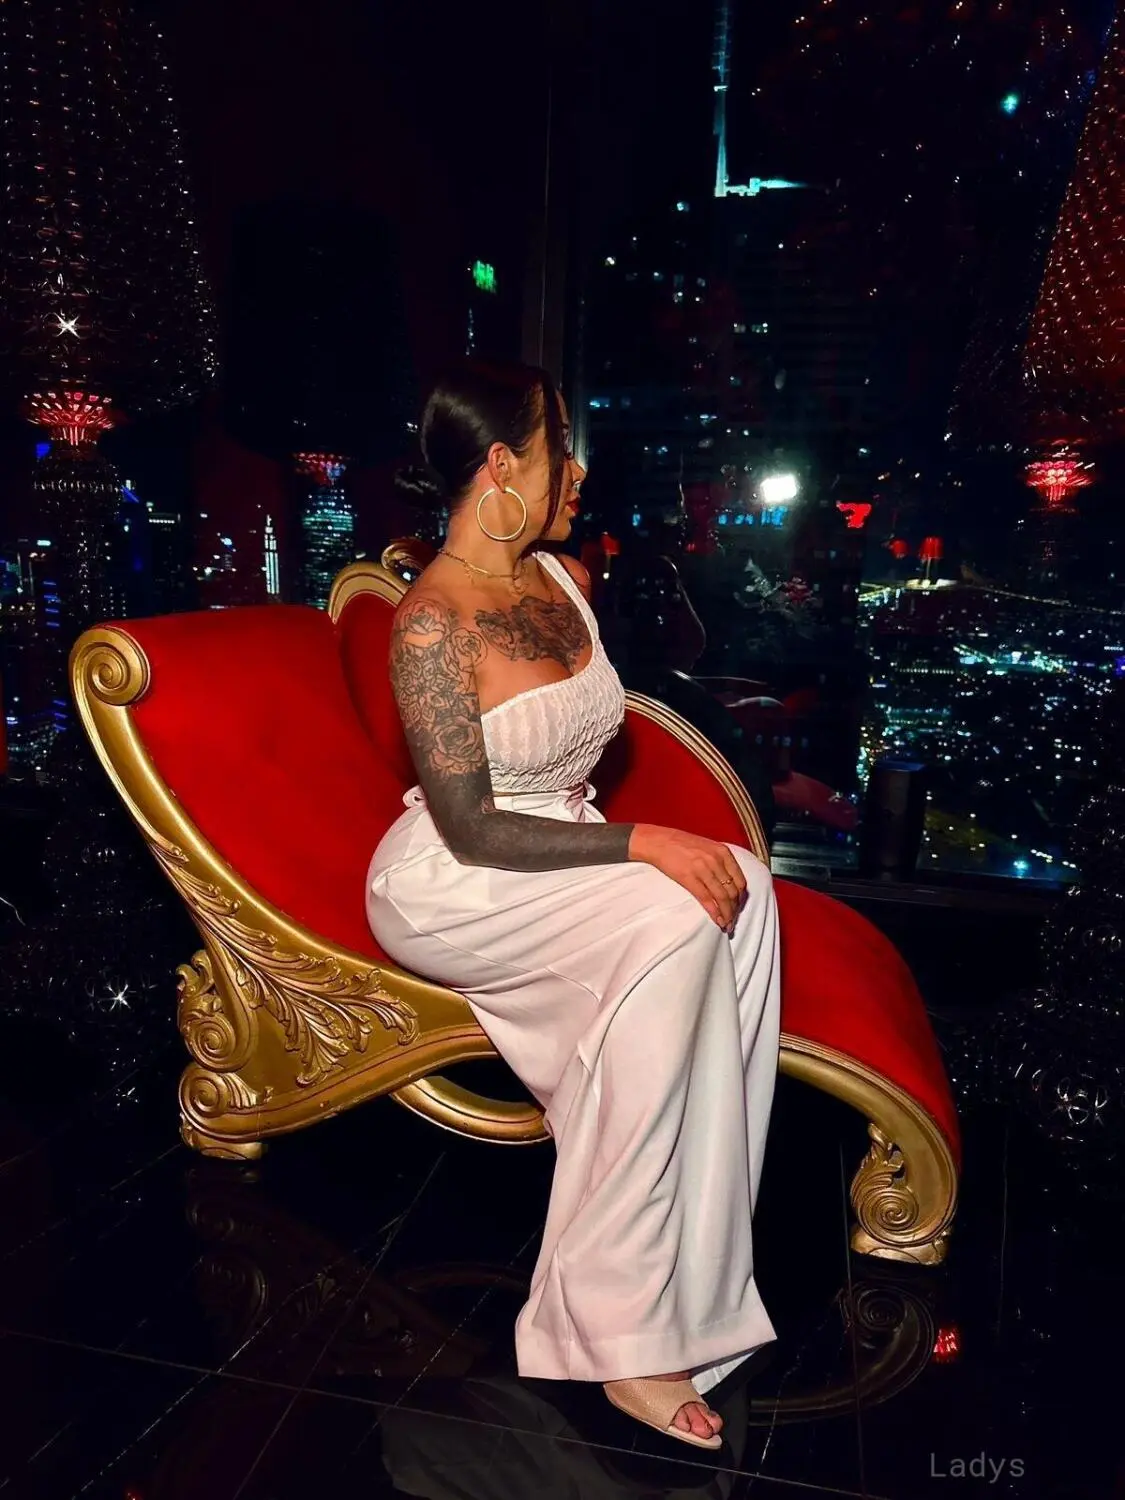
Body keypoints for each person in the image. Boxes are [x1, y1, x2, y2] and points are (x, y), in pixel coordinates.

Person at [367, 359, 781, 1452]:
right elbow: (471, 827)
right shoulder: (430, 624)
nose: (580, 471)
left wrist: (640, 843)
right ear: (503, 465)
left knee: (746, 894)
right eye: (563, 447)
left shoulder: (563, 581)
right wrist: (639, 841)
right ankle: (617, 1330)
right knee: (672, 916)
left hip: (559, 848)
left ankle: (699, 1282)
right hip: (457, 878)